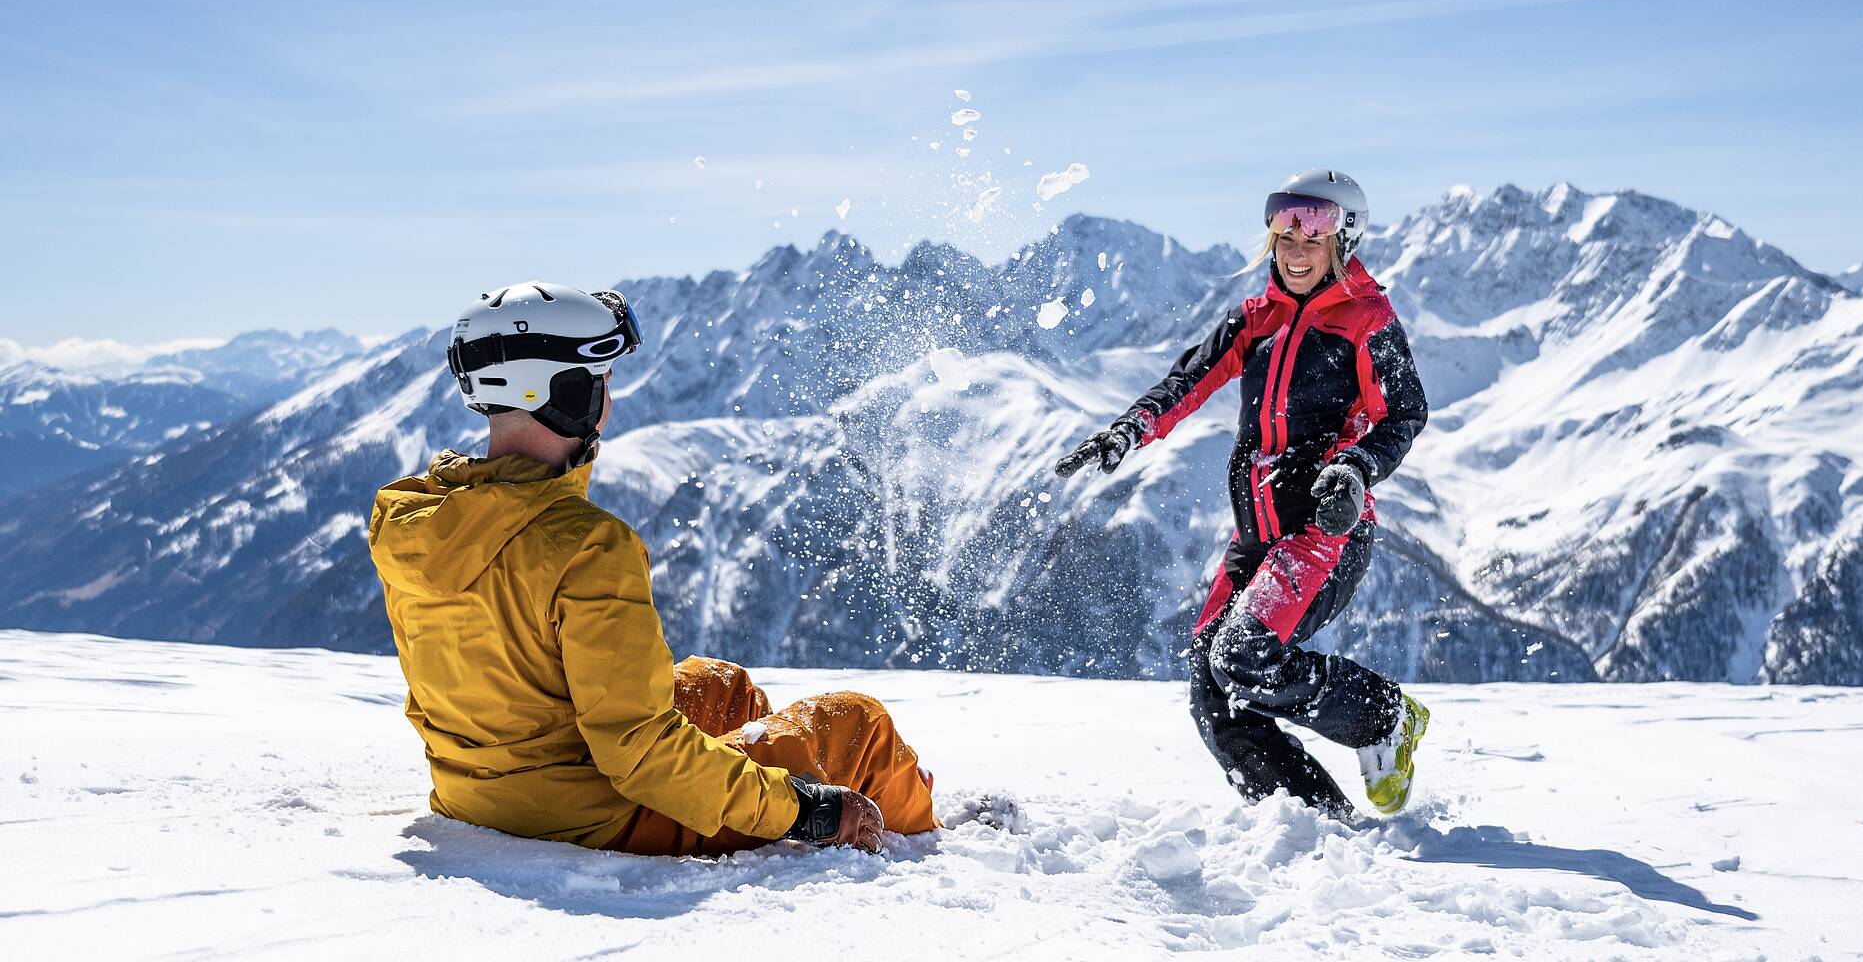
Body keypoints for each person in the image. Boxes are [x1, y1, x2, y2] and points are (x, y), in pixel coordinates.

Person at [369, 281, 938, 856]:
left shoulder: (419, 524)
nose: (609, 402)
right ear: (560, 391)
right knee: (859, 726)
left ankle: (768, 770)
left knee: (721, 688)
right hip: (593, 816)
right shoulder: (585, 548)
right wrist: (802, 809)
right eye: (602, 383)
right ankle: (922, 837)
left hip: (477, 795)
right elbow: (639, 751)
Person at [1056, 169, 1431, 821]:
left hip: (1323, 534)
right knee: (1214, 693)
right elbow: (1185, 384)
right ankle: (1319, 827)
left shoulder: (1367, 322)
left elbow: (1404, 412)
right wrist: (1127, 433)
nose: (1295, 241)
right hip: (1254, 540)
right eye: (1284, 221)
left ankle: (1384, 717)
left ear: (1346, 236)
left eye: (1314, 226)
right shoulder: (1254, 322)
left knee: (1246, 659)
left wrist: (1355, 470)